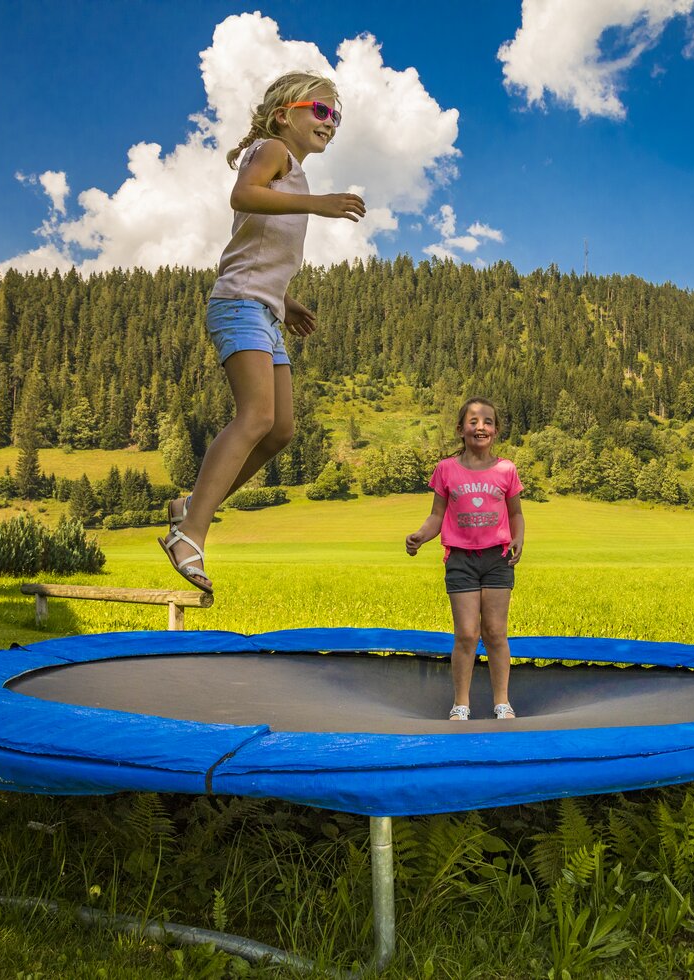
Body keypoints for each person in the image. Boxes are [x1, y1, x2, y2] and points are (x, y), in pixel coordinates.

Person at [160, 72, 366, 592]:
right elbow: (243, 197)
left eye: (335, 116)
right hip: (238, 306)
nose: (330, 123)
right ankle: (190, 534)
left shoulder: (293, 173)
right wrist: (317, 203)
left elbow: (258, 251)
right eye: (320, 111)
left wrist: (288, 300)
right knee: (255, 416)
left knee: (280, 431)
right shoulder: (271, 149)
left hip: (266, 310)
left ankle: (190, 505)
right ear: (283, 114)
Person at [406, 398, 525, 721]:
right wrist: (420, 535)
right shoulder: (446, 469)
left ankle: (502, 702)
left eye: (487, 421)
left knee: (496, 632)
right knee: (467, 633)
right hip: (460, 560)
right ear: (460, 429)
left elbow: (515, 514)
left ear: (496, 430)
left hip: (497, 559)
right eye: (473, 421)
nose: (480, 427)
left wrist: (519, 538)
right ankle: (461, 703)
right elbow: (436, 516)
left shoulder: (506, 470)